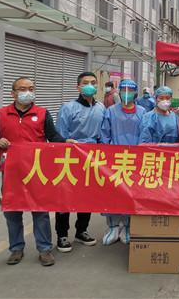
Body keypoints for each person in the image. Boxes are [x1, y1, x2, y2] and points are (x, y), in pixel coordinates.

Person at [0, 77, 74, 266]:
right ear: (13, 93)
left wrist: (65, 142)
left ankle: (44, 249)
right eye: (22, 89)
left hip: (36, 170)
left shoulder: (42, 113)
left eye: (31, 88)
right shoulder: (2, 114)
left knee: (40, 210)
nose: (27, 92)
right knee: (12, 210)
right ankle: (16, 249)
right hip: (11, 171)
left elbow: (52, 136)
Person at [54, 72, 105, 253]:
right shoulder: (68, 108)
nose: (90, 85)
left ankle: (81, 230)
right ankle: (62, 234)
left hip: (92, 157)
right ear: (78, 87)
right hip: (70, 157)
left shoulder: (101, 108)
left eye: (93, 82)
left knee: (87, 196)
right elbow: (59, 135)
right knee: (65, 196)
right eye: (85, 83)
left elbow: (103, 133)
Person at [100, 79, 146, 245]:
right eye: (124, 89)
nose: (127, 93)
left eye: (130, 90)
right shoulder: (111, 111)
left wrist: (139, 154)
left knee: (130, 194)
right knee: (112, 193)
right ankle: (113, 226)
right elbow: (105, 134)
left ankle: (127, 226)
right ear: (119, 92)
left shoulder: (142, 112)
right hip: (114, 160)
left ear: (136, 93)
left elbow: (144, 134)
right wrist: (108, 153)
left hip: (135, 160)